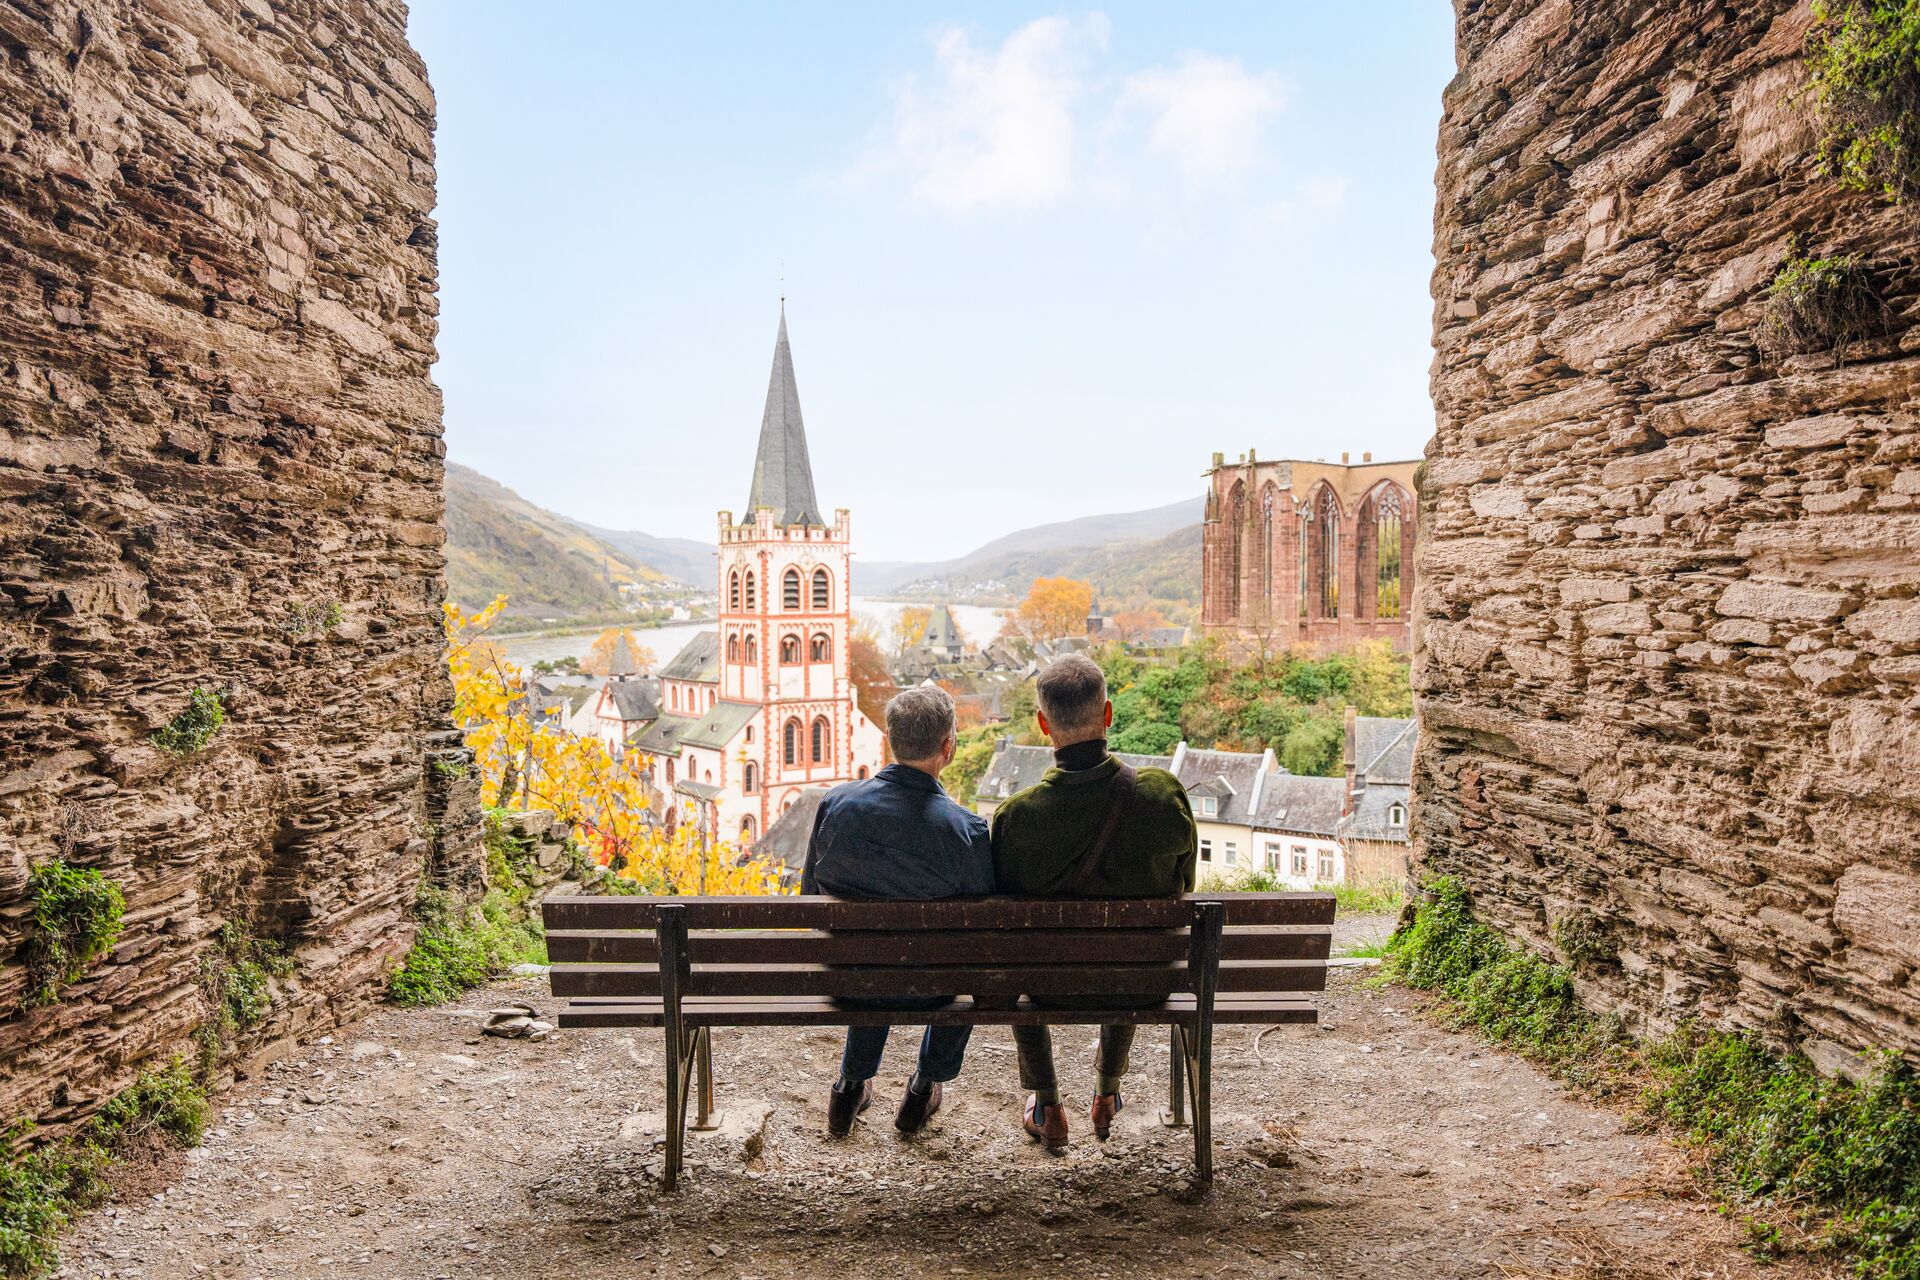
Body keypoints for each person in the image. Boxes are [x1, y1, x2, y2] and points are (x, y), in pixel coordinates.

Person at [989, 652, 1197, 1152]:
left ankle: (1047, 1105)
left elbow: (1003, 921)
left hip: (1046, 987)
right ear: (1107, 714)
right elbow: (1184, 886)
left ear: (1043, 724)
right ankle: (1107, 1090)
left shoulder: (1017, 819)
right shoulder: (1162, 795)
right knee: (1132, 946)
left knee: (1020, 955)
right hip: (1143, 982)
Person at [800, 684, 993, 1137]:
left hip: (848, 978)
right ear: (948, 747)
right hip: (931, 987)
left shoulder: (836, 805)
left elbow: (810, 895)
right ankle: (923, 1088)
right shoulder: (966, 830)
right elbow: (983, 931)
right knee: (966, 964)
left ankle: (849, 1087)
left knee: (870, 957)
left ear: (890, 740)